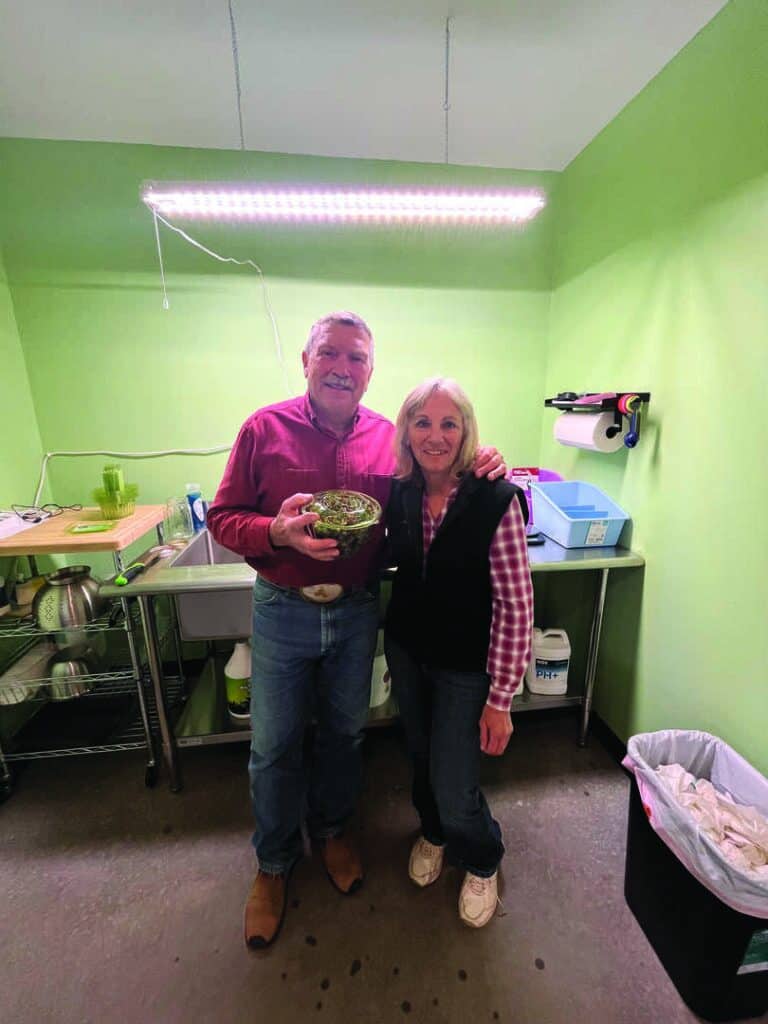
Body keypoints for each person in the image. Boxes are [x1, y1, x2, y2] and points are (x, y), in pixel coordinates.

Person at [206, 313, 504, 949]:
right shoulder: (264, 428)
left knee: (344, 734)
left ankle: (335, 831)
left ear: (372, 369)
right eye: (330, 354)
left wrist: (486, 463)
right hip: (283, 607)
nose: (343, 367)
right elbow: (222, 517)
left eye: (358, 358)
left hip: (356, 609)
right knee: (274, 745)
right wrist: (274, 532)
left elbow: (436, 478)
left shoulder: (387, 439)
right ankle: (274, 863)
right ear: (307, 361)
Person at [384, 377, 534, 929]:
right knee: (421, 758)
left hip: (465, 667)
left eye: (450, 423)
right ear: (407, 431)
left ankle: (482, 855)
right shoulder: (400, 492)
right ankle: (435, 830)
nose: (436, 435)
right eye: (423, 422)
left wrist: (501, 700)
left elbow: (516, 607)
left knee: (454, 779)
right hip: (407, 651)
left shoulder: (497, 499)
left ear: (467, 431)